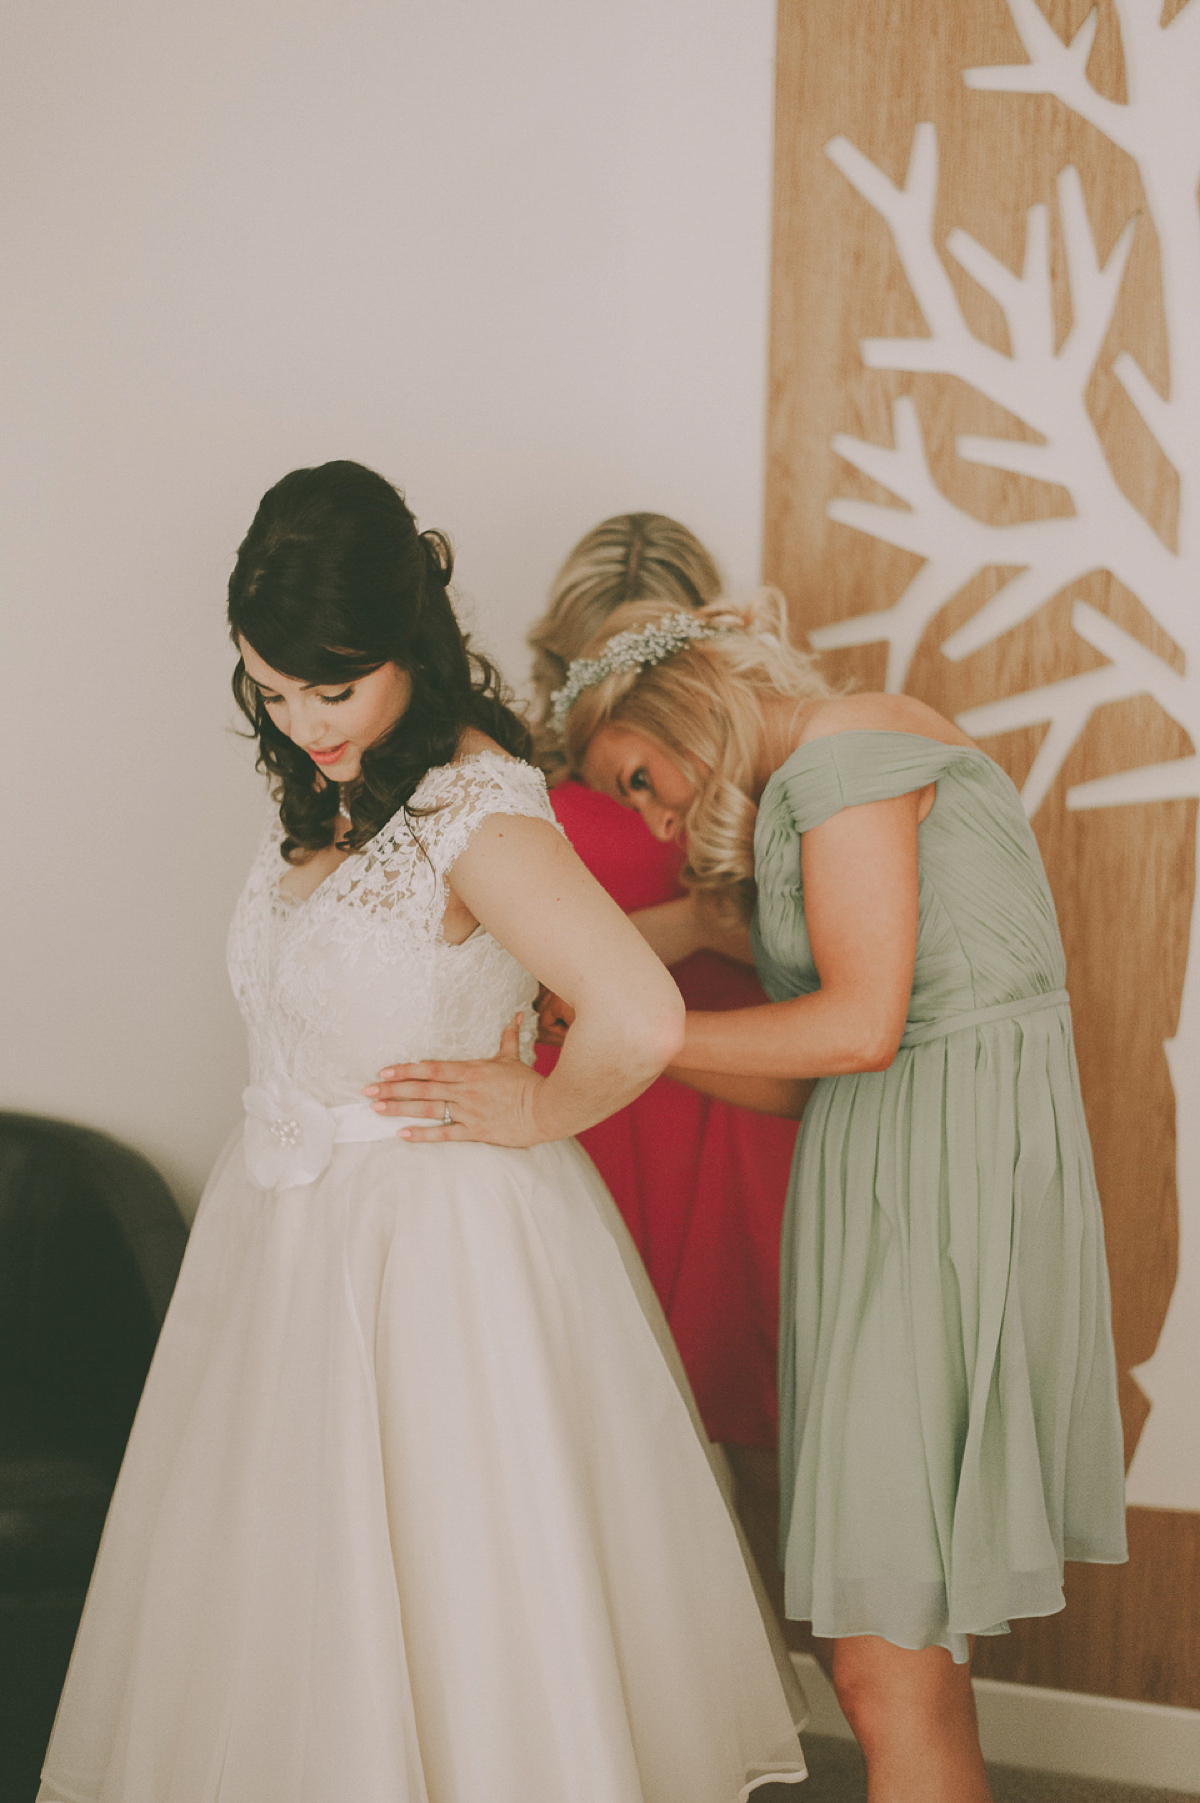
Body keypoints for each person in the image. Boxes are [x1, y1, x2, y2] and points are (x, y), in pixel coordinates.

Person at [37, 463, 806, 1803]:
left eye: (331, 689)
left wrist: (540, 1102)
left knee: (460, 1605)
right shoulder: (334, 786)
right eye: (272, 691)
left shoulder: (474, 808)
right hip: (283, 1241)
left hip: (433, 1251)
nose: (302, 721)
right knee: (294, 1607)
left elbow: (634, 1011)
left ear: (411, 644)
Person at [377, 589, 1129, 1803]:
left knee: (886, 1666)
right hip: (882, 1185)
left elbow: (862, 1029)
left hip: (938, 1203)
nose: (657, 812)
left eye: (636, 777)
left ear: (683, 706)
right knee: (898, 1656)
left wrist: (638, 1036)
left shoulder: (849, 751)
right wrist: (616, 1042)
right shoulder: (799, 802)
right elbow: (808, 1085)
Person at [527, 514, 802, 1613]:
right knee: (623, 1458)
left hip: (739, 1114)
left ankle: (810, 1716)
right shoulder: (524, 801)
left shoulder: (766, 769)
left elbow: (809, 948)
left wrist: (694, 927)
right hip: (605, 1127)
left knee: (773, 1442)